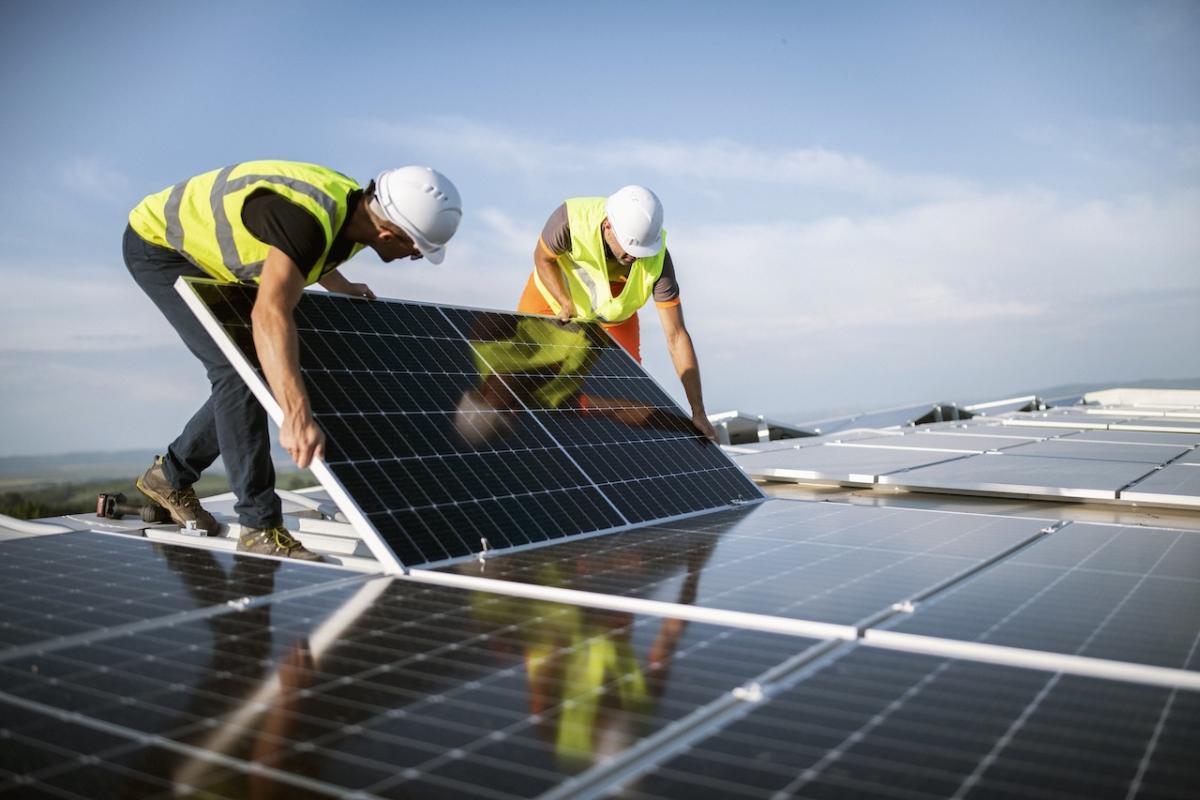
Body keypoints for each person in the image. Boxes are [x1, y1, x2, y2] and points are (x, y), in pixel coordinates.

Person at [124, 160, 462, 560]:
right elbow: (269, 312)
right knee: (239, 372)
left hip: (209, 256)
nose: (416, 257)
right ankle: (259, 526)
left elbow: (309, 251)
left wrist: (340, 285)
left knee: (267, 368)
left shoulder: (358, 210)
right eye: (417, 247)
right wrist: (296, 416)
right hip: (162, 246)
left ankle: (170, 476)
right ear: (389, 231)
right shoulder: (307, 219)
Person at [517, 186, 717, 441]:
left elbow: (676, 336)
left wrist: (698, 410)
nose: (634, 257)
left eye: (641, 251)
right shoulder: (570, 219)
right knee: (525, 378)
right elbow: (543, 258)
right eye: (629, 248)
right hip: (553, 301)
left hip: (614, 316)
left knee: (625, 390)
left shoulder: (659, 261)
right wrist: (564, 303)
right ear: (608, 226)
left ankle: (596, 451)